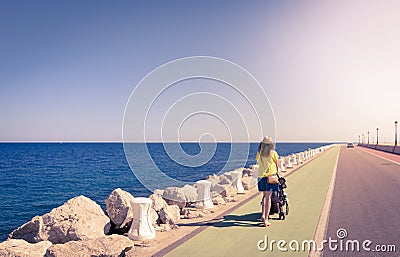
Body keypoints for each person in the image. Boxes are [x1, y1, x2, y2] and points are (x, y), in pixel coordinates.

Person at [256, 136, 279, 227]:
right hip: (270, 176)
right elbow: (277, 164)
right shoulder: (273, 153)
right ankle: (266, 219)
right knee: (268, 198)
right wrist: (277, 172)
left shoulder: (259, 154)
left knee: (264, 196)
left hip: (261, 176)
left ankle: (262, 214)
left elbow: (259, 162)